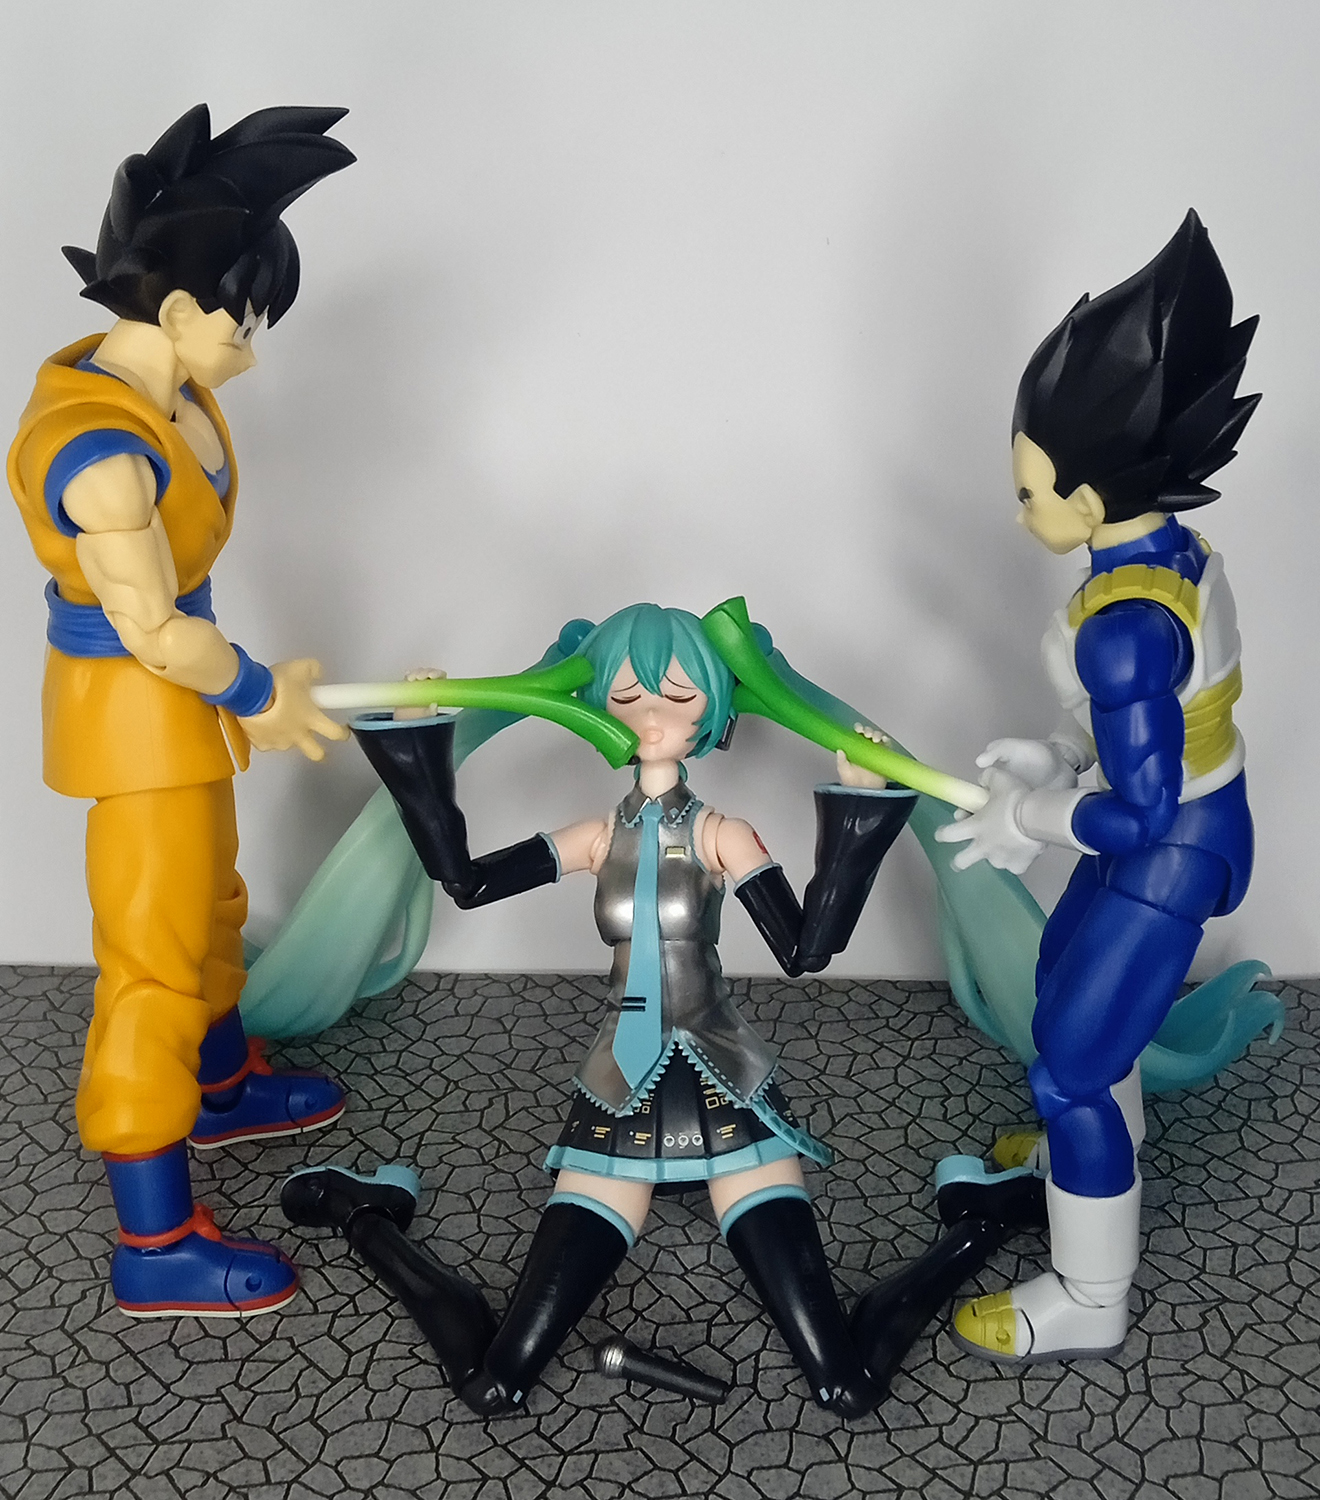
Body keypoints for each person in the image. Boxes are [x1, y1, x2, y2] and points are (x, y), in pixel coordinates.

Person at [348, 603, 918, 1415]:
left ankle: (980, 1224)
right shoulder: (596, 837)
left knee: (842, 1385)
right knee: (496, 1385)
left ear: (713, 708)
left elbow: (805, 951)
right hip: (620, 1088)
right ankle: (366, 1218)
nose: (651, 717)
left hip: (727, 1085)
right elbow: (468, 883)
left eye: (678, 697)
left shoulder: (721, 835)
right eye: (627, 698)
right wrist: (417, 749)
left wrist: (858, 818)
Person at [8, 104, 355, 1317]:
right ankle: (154, 1243)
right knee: (149, 967)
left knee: (211, 908)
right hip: (135, 715)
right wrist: (259, 693)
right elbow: (151, 628)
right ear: (174, 309)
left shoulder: (172, 396)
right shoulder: (100, 453)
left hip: (181, 712)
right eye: (241, 316)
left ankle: (217, 1088)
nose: (251, 345)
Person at [935, 210, 1258, 1362]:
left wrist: (1029, 814)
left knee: (1069, 1067)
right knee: (1067, 998)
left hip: (1169, 848)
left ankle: (1089, 1294)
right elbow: (1152, 731)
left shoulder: (1123, 623)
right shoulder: (1162, 558)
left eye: (1032, 490)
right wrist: (1059, 759)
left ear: (1090, 492)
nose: (1022, 509)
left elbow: (1143, 813)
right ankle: (1092, 1148)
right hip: (1177, 824)